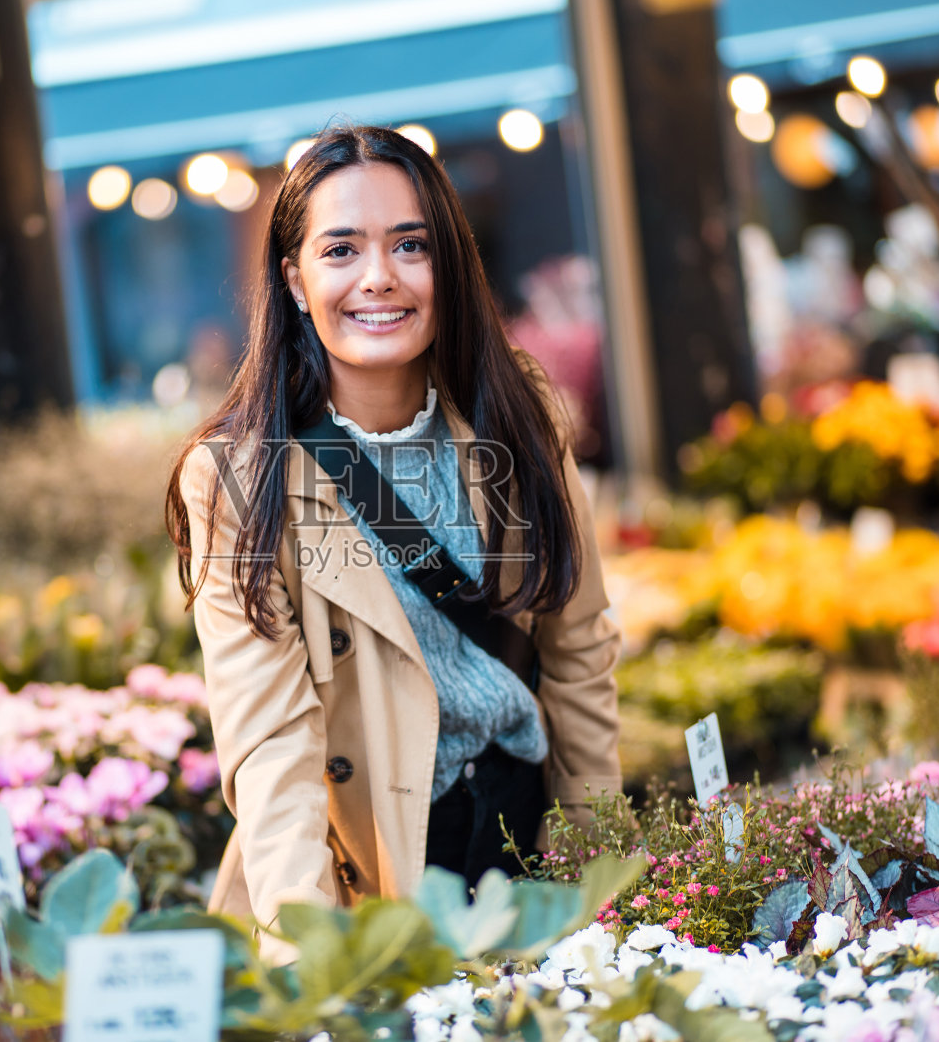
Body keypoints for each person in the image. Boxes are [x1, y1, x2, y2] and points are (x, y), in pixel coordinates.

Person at [164, 124, 622, 953]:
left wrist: (600, 873)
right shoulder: (240, 476)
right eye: (340, 250)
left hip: (527, 837)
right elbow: (271, 742)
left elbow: (579, 650)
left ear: (446, 264)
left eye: (410, 245)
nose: (379, 277)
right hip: (372, 866)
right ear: (295, 280)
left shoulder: (518, 423)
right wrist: (315, 958)